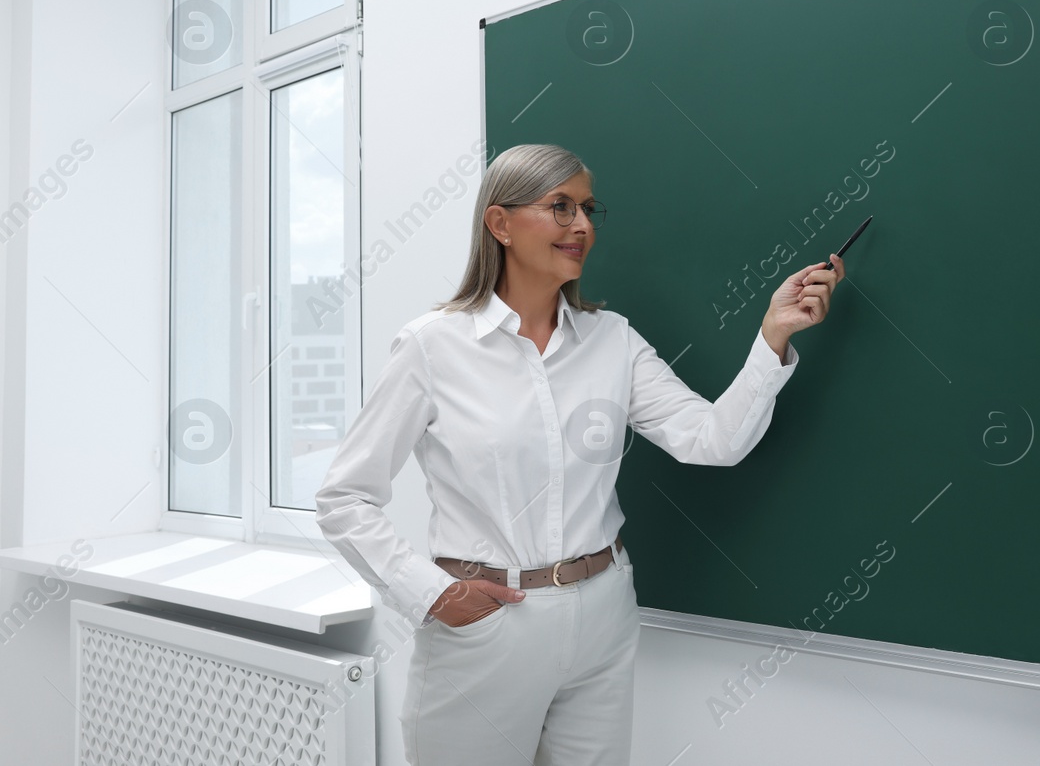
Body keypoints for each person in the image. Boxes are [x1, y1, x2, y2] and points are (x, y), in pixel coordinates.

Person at [314, 142, 843, 766]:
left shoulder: (611, 339)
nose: (582, 226)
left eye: (588, 209)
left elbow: (712, 441)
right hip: (490, 626)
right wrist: (433, 594)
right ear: (500, 223)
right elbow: (344, 498)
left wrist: (772, 336)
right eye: (560, 207)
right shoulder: (432, 348)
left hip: (603, 614)